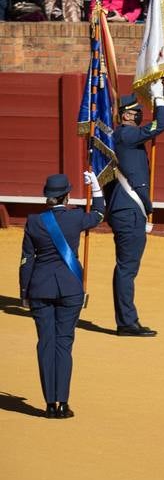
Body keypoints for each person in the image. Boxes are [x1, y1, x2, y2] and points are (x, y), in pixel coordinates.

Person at [19, 172, 106, 418]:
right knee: (64, 344)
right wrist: (97, 188)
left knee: (45, 343)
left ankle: (49, 404)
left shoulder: (34, 222)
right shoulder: (76, 218)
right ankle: (63, 403)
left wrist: (24, 292)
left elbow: (27, 260)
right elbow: (99, 214)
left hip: (40, 288)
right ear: (67, 196)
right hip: (69, 288)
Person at [108, 84, 164, 337]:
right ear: (125, 115)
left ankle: (126, 319)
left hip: (129, 209)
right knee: (127, 268)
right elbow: (161, 125)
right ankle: (126, 322)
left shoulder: (124, 136)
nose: (139, 115)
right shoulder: (125, 134)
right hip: (128, 209)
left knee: (127, 267)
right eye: (136, 112)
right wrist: (159, 99)